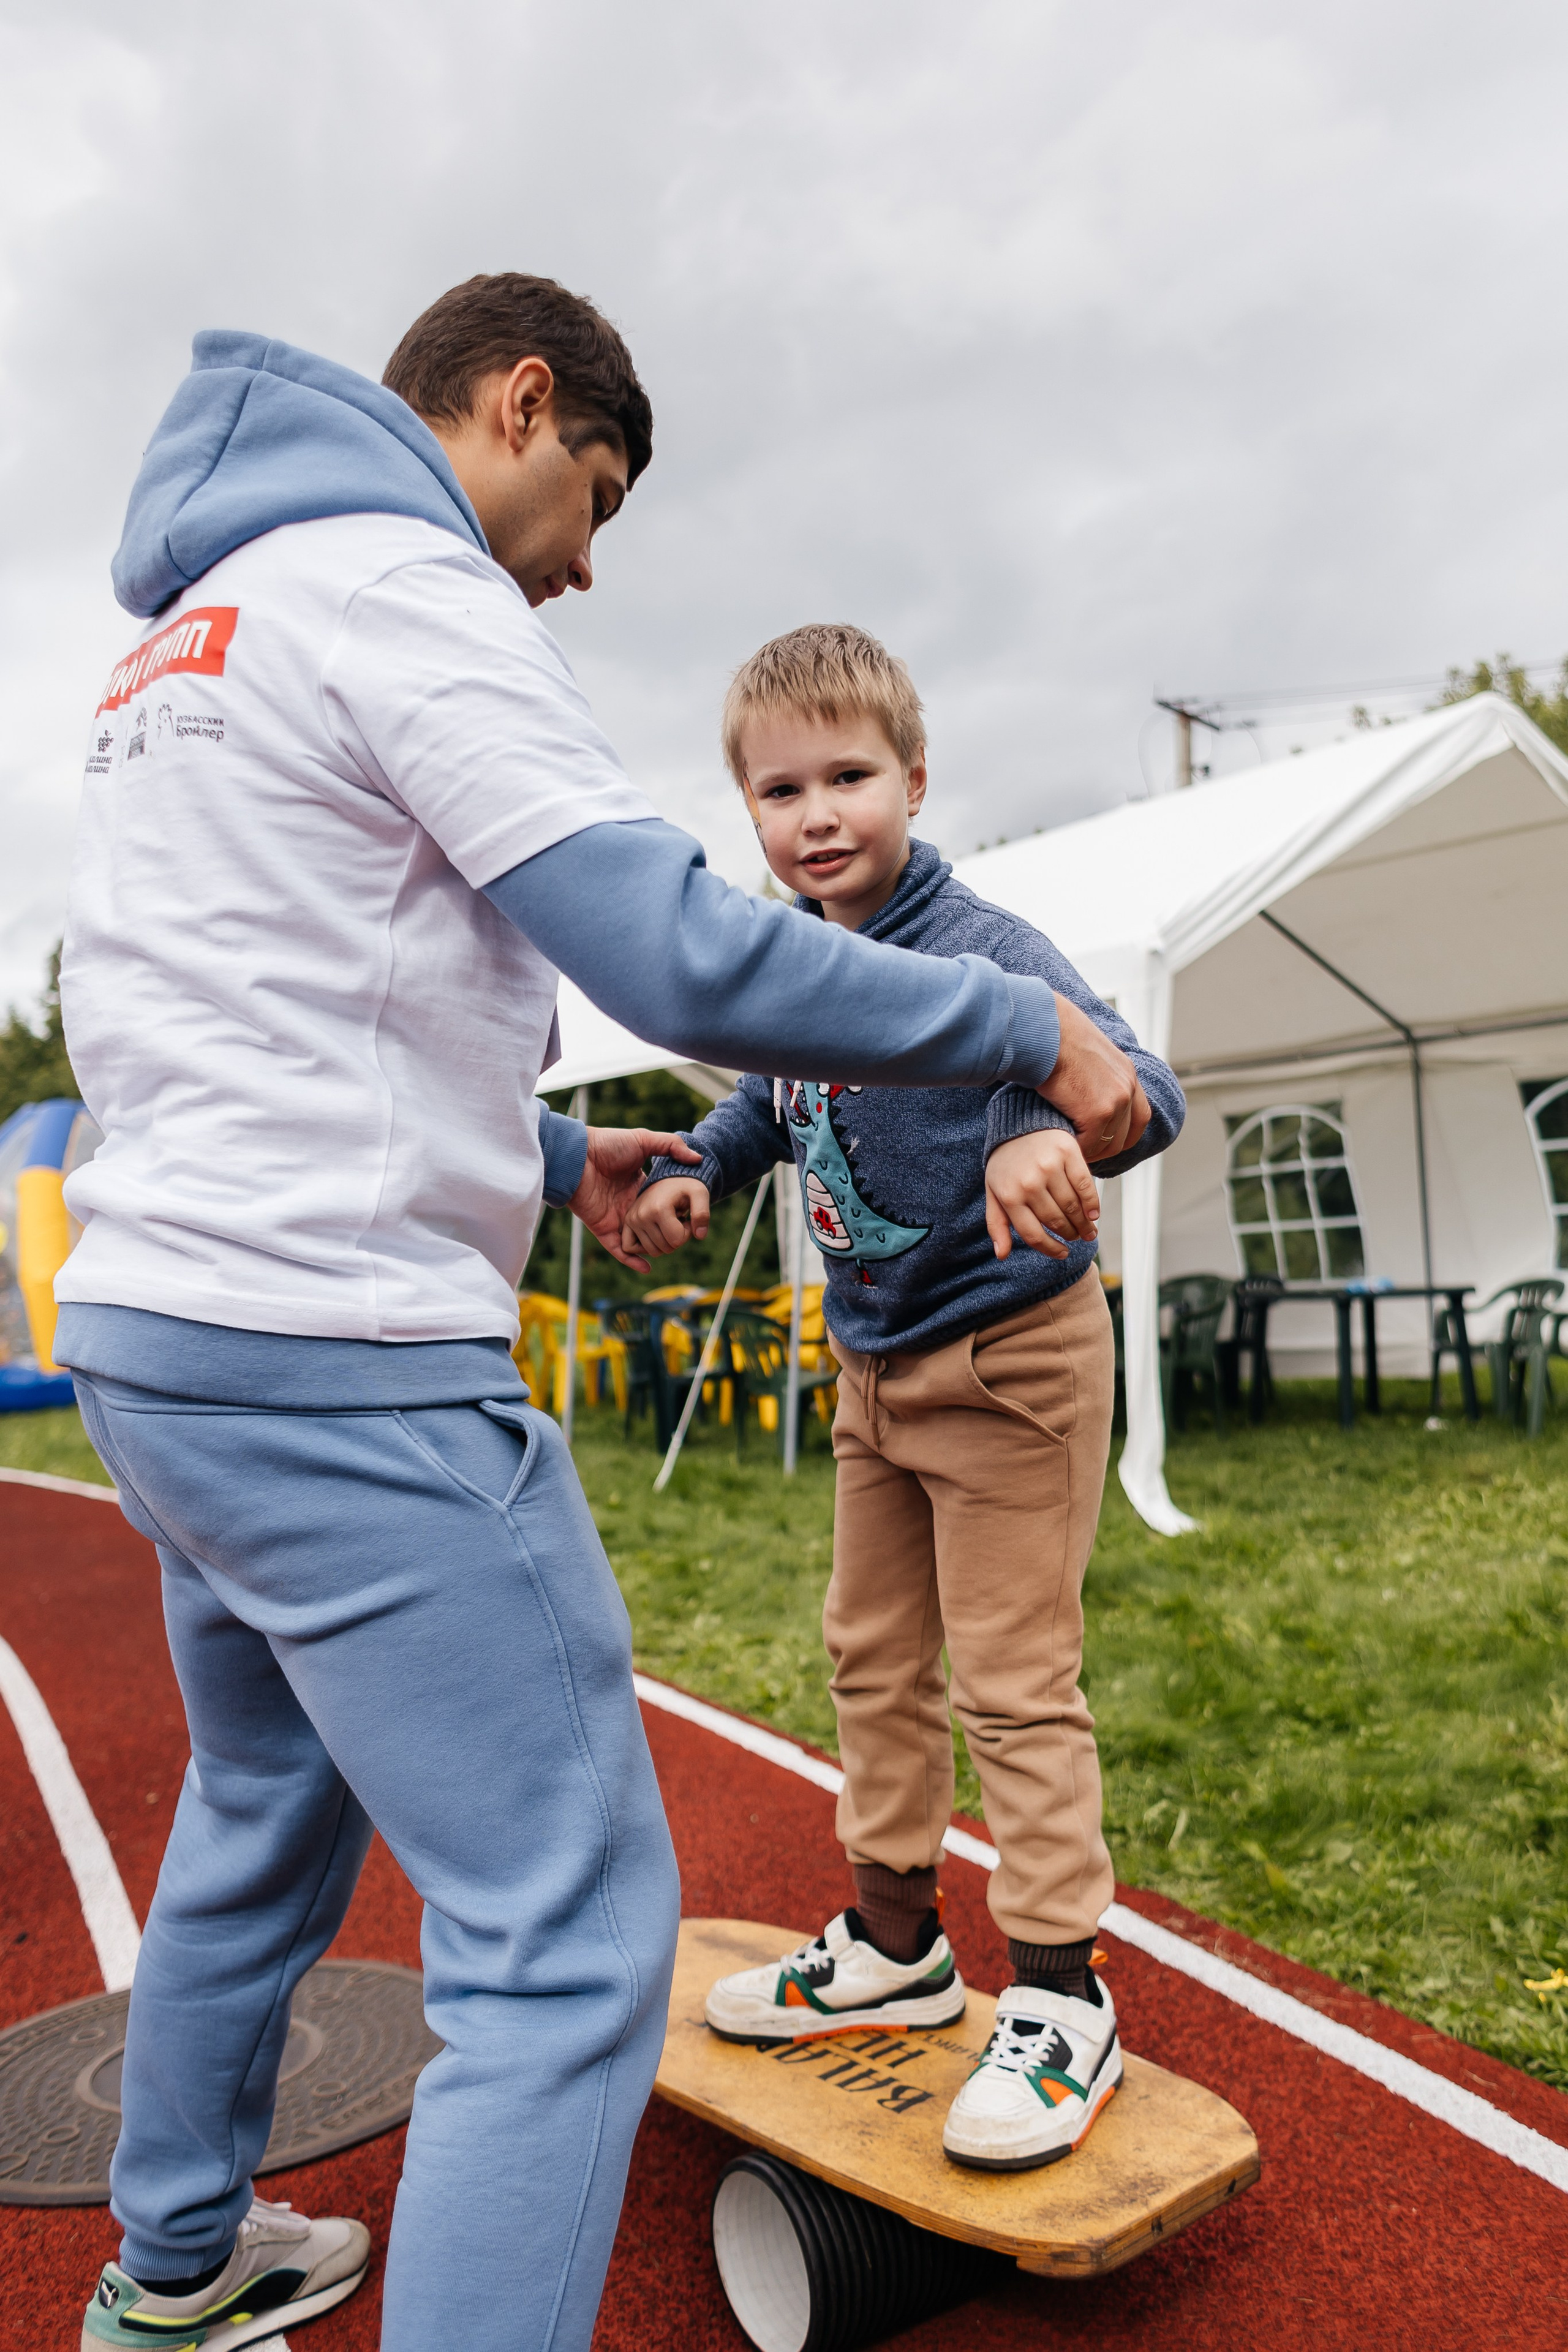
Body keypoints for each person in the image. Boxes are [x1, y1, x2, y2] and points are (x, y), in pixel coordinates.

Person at [61, 282, 1153, 2352]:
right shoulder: (406, 583)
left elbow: (245, 1010)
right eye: (598, 499)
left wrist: (559, 1165)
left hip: (163, 1337)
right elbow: (674, 953)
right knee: (564, 1951)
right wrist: (1029, 1030)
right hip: (337, 1356)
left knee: (258, 1806)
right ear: (523, 406)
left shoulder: (185, 636)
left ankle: (178, 2264)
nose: (578, 562)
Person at [625, 624, 1185, 2173]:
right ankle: (893, 1946)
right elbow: (773, 1095)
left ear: (914, 781)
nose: (816, 816)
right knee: (867, 1659)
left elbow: (1144, 1090)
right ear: (747, 809)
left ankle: (1063, 1995)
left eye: (849, 778)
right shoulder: (791, 954)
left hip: (1008, 1366)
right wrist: (701, 1170)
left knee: (1012, 1682)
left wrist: (1034, 1129)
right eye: (778, 789)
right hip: (869, 1369)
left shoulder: (984, 948)